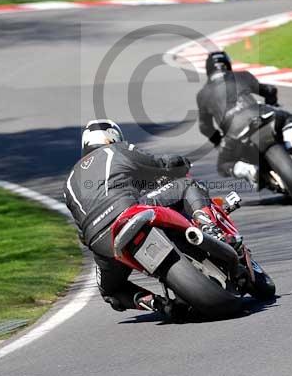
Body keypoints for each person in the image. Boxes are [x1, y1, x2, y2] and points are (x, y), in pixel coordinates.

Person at [63, 119, 220, 317]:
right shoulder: (117, 149)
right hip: (129, 210)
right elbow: (160, 164)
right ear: (112, 136)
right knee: (187, 185)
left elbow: (81, 235)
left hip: (101, 241)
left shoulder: (68, 183)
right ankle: (210, 228)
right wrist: (180, 163)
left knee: (111, 291)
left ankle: (159, 305)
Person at [196, 51, 292, 189]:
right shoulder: (242, 75)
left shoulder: (202, 94)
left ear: (208, 70)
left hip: (233, 132)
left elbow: (204, 126)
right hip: (260, 114)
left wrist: (218, 141)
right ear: (228, 65)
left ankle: (248, 170)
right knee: (289, 118)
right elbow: (269, 90)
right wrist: (272, 103)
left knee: (223, 165)